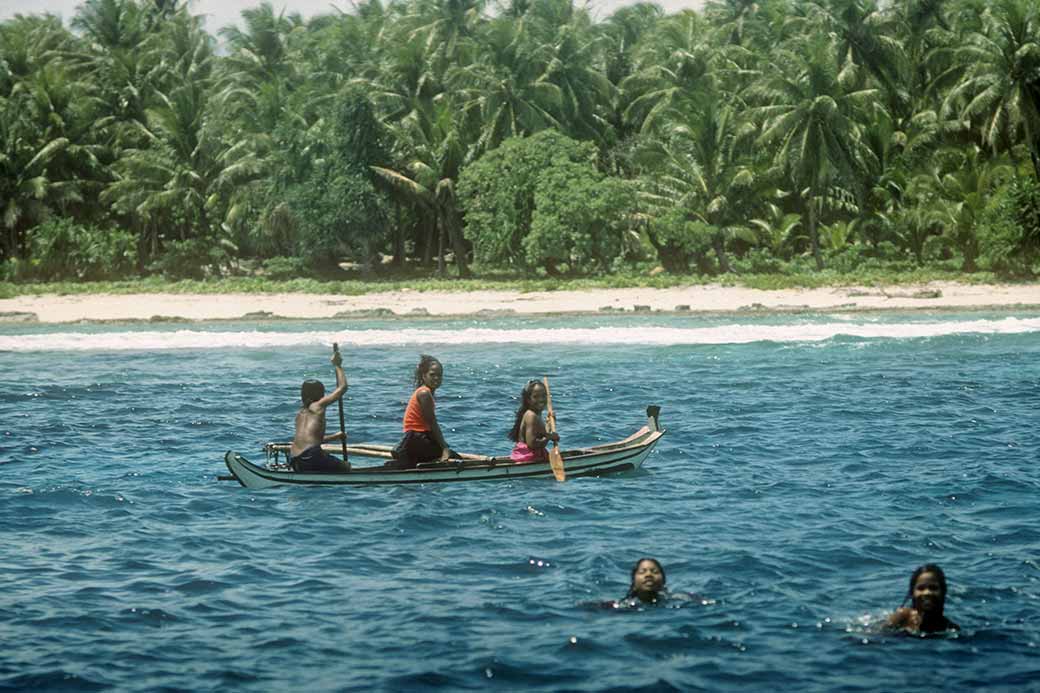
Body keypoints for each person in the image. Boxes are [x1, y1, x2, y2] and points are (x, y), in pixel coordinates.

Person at [289, 350, 350, 473]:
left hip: (295, 459)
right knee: (346, 467)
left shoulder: (300, 414)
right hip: (311, 457)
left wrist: (337, 436)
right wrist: (338, 365)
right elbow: (342, 388)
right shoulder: (318, 406)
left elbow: (313, 440)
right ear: (319, 394)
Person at [390, 355, 455, 468]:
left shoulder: (425, 392)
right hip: (416, 438)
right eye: (432, 375)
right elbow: (432, 423)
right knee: (454, 458)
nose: (436, 378)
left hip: (416, 438)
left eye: (439, 375)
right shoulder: (424, 393)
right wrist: (444, 448)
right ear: (424, 376)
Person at [886, 563, 960, 634]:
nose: (927, 592)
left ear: (943, 592)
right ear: (912, 593)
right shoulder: (902, 617)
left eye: (933, 588)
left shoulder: (950, 628)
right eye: (921, 588)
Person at [508, 380, 559, 463]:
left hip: (533, 457)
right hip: (527, 458)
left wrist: (549, 425)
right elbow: (532, 444)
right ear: (528, 399)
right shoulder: (531, 416)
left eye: (543, 396)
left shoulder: (536, 414)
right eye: (536, 396)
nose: (541, 399)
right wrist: (550, 437)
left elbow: (541, 436)